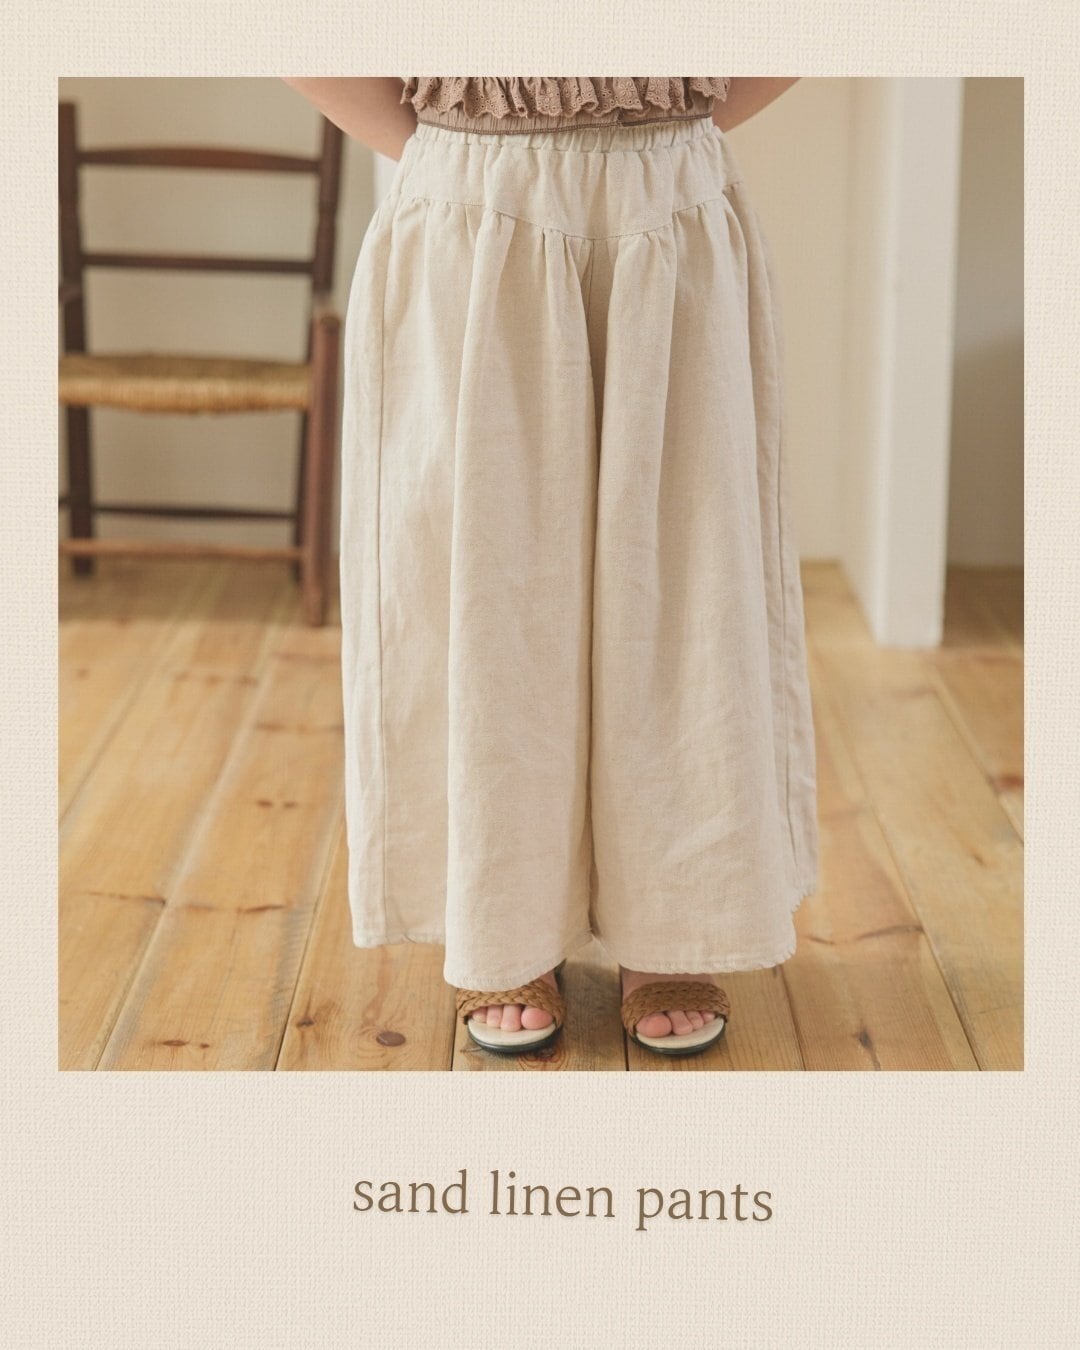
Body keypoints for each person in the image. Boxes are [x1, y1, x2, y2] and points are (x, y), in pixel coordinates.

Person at [281, 77, 819, 1059]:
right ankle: (505, 925)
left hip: (669, 187)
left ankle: (674, 926)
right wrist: (459, 142)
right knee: (485, 592)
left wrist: (667, 118)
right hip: (470, 194)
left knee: (687, 588)